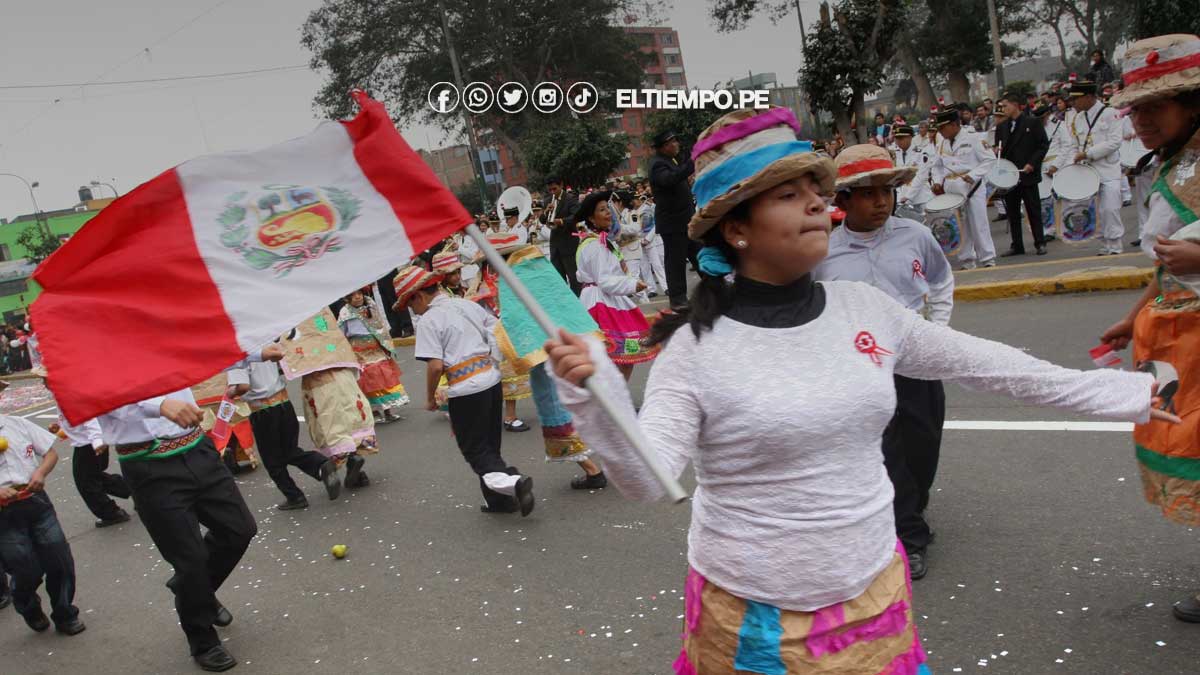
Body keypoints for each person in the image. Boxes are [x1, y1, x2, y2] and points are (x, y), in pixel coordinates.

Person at [544, 106, 1173, 675]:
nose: (820, 205)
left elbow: (990, 365)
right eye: (790, 196)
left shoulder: (864, 308)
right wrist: (594, 398)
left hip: (873, 585)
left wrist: (1122, 396)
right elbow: (651, 480)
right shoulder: (696, 348)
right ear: (736, 228)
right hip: (755, 610)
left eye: (817, 192)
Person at [816, 144, 955, 580]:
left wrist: (939, 330)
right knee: (886, 449)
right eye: (869, 193)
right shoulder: (823, 252)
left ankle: (912, 502)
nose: (881, 202)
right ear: (843, 201)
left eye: (887, 192)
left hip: (917, 358)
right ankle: (907, 537)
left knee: (923, 442)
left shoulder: (916, 236)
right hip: (861, 368)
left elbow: (941, 280)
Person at [1098, 33, 1200, 624]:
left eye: (1153, 107)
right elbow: (1168, 262)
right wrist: (1133, 317)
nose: (1140, 122)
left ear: (1191, 103)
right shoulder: (1172, 162)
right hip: (1178, 341)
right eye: (1135, 109)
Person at [97, 354, 273, 670]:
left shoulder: (159, 322)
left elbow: (205, 343)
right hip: (148, 464)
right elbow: (95, 393)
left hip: (196, 448)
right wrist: (157, 405)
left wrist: (257, 353)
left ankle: (195, 591)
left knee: (239, 530)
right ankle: (202, 639)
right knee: (189, 559)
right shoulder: (93, 341)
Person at [397, 265, 536, 516]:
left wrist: (429, 397)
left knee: (475, 449)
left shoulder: (429, 320)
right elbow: (496, 332)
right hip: (491, 381)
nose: (412, 311)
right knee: (490, 445)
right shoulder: (466, 304)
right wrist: (491, 361)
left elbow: (436, 366)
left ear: (418, 295)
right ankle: (499, 502)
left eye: (410, 304)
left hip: (465, 390)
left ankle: (512, 482)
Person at [0, 385, 85, 637]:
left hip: (36, 502)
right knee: (25, 569)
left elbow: (49, 453)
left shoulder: (17, 424)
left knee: (60, 560)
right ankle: (27, 605)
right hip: (4, 515)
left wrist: (40, 472)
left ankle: (65, 613)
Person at [226, 348, 342, 511]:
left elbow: (243, 386)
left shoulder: (236, 354)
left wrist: (230, 392)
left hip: (262, 410)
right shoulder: (265, 344)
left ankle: (294, 496)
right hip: (284, 403)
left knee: (271, 460)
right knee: (290, 450)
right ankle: (321, 464)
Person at [282, 309, 375, 490]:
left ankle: (344, 461)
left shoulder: (290, 316)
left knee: (329, 422)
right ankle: (355, 465)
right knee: (350, 416)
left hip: (318, 379)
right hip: (341, 371)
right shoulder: (320, 310)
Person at [573, 190, 660, 379]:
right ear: (591, 218)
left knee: (622, 359)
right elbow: (604, 281)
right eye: (602, 210)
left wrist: (630, 282)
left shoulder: (602, 242)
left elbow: (615, 273)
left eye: (608, 209)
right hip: (600, 303)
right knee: (615, 359)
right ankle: (612, 402)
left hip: (608, 300)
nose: (608, 213)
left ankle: (616, 401)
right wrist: (632, 285)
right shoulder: (595, 245)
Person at [1054, 80, 1124, 255]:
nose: (1073, 103)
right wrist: (1071, 165)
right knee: (1096, 210)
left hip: (1108, 169)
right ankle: (1104, 243)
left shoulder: (1110, 113)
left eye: (1076, 99)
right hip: (1087, 172)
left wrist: (1088, 153)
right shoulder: (1078, 118)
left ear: (1089, 97)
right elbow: (1074, 144)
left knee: (1110, 207)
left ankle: (1115, 244)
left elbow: (1115, 141)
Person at [928, 108, 998, 269]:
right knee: (960, 225)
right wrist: (937, 182)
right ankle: (967, 259)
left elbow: (990, 160)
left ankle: (987, 258)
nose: (940, 132)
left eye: (942, 128)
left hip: (971, 186)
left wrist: (973, 175)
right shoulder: (942, 144)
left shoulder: (973, 138)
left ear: (953, 124)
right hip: (952, 188)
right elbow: (937, 166)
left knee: (978, 223)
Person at [338, 288, 410, 423]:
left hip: (376, 347)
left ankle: (388, 411)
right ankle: (375, 412)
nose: (357, 297)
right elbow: (342, 334)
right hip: (359, 351)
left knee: (384, 377)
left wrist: (386, 344)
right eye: (353, 295)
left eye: (359, 294)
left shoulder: (371, 305)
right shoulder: (345, 312)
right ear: (347, 298)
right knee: (367, 380)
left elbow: (380, 325)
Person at [994, 91, 1051, 257]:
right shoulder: (1002, 126)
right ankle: (1017, 244)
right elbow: (999, 148)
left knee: (1033, 209)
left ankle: (1040, 242)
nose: (1003, 109)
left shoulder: (1032, 123)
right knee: (1012, 212)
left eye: (1005, 106)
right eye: (1001, 106)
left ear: (1016, 105)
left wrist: (1032, 163)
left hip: (1027, 173)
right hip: (1009, 174)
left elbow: (1042, 145)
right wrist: (997, 151)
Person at [649, 130, 697, 310]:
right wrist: (692, 163)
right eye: (672, 142)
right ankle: (678, 300)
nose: (676, 144)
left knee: (699, 255)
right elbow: (670, 179)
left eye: (676, 140)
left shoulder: (671, 161)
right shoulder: (658, 165)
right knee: (676, 262)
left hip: (686, 220)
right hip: (673, 223)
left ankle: (714, 289)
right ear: (662, 148)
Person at [540, 177, 582, 294]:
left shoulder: (570, 199)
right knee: (558, 279)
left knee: (574, 278)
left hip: (569, 243)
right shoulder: (548, 199)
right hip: (555, 245)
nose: (552, 192)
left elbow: (576, 216)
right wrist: (546, 212)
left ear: (561, 185)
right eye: (550, 190)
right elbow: (542, 220)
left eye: (554, 189)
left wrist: (561, 221)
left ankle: (579, 302)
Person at [894, 125, 932, 217]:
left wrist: (908, 196)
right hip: (903, 198)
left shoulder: (921, 153)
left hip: (920, 197)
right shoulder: (896, 153)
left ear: (910, 137)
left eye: (902, 138)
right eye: (897, 138)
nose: (899, 141)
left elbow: (921, 177)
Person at [635, 193, 667, 296]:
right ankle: (651, 289)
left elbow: (654, 225)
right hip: (638, 242)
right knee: (644, 267)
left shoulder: (647, 209)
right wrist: (639, 240)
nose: (634, 202)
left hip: (650, 240)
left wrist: (647, 239)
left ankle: (666, 287)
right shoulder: (630, 212)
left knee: (657, 265)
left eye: (636, 199)